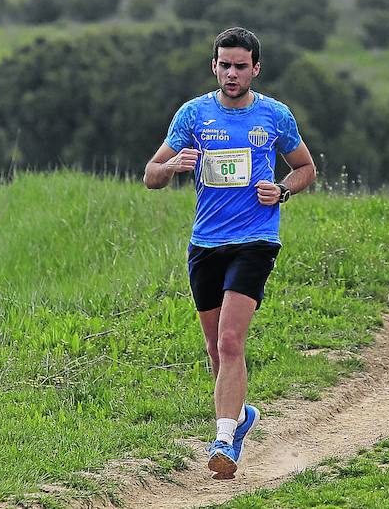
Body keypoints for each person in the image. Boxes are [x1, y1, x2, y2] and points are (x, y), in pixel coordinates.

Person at [143, 27, 316, 478]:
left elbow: (305, 167)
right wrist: (172, 166)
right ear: (214, 66)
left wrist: (281, 190)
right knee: (215, 349)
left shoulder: (274, 115)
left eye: (241, 66)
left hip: (256, 240)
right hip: (206, 244)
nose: (232, 73)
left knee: (230, 340)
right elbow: (150, 175)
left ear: (255, 68)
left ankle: (223, 440)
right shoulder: (193, 114)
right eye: (225, 65)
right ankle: (241, 417)